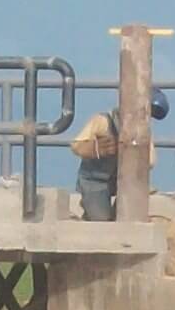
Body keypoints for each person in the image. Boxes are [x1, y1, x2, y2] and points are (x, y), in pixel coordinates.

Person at [70, 87, 169, 220]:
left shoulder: (143, 132)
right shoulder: (103, 121)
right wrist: (95, 148)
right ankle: (90, 210)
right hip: (95, 180)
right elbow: (76, 146)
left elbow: (150, 161)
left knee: (129, 210)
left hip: (122, 179)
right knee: (100, 219)